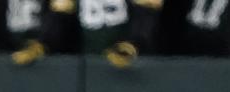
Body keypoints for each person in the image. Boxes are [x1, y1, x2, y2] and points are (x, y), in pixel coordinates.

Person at [12, 0, 162, 67]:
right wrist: (42, 44)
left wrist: (133, 45)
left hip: (135, 68)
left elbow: (147, 17)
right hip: (90, 66)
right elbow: (59, 18)